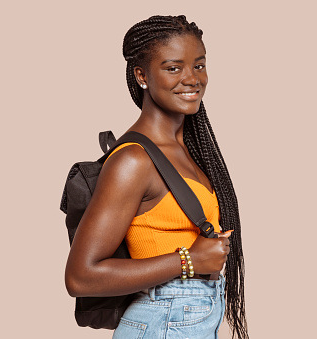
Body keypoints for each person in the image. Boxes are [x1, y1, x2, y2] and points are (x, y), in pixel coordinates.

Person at [65, 15, 248, 339]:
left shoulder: (189, 149)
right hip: (164, 320)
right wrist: (188, 261)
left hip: (186, 319)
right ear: (142, 75)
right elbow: (81, 276)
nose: (192, 79)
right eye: (173, 68)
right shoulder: (133, 160)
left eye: (199, 65)